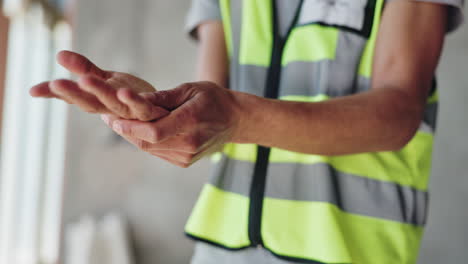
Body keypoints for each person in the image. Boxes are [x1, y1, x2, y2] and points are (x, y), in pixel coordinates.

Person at [30, 0, 464, 263]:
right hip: (222, 250)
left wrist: (236, 116)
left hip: (349, 253)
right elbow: (212, 108)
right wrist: (160, 112)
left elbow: (398, 111)